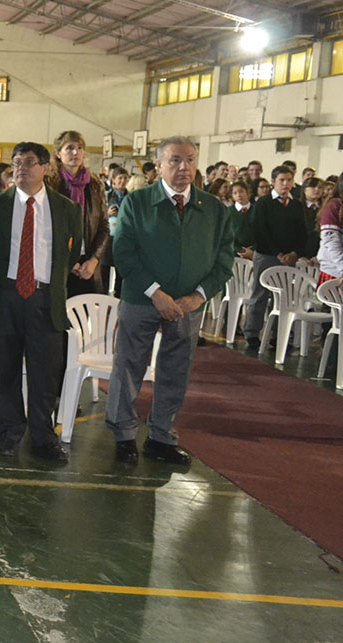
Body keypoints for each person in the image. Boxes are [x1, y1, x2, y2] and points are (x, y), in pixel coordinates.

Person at [106, 137, 233, 466]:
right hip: (141, 300)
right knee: (128, 367)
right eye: (175, 160)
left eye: (190, 160)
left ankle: (161, 437)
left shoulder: (214, 209)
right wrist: (156, 293)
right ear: (158, 166)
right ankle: (123, 435)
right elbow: (124, 253)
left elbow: (224, 259)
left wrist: (198, 296)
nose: (183, 167)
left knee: (176, 371)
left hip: (187, 307)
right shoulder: (137, 203)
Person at [0, 142, 82, 462]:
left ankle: (42, 437)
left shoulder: (66, 209)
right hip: (4, 296)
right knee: (4, 370)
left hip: (45, 298)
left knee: (45, 372)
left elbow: (70, 254)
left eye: (31, 162)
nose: (22, 168)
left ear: (47, 168)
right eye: (17, 162)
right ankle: (8, 432)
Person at [242, 165, 309, 351]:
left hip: (290, 257)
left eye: (289, 180)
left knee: (285, 297)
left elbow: (302, 232)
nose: (286, 184)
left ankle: (279, 334)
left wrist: (295, 253)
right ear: (273, 182)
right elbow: (260, 231)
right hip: (267, 255)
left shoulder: (296, 205)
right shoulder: (264, 203)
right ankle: (252, 332)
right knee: (260, 293)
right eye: (282, 180)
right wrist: (277, 253)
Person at [46, 130, 110, 295]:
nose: (76, 152)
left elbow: (103, 226)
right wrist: (67, 261)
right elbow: (43, 228)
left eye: (80, 147)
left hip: (87, 263)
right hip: (56, 262)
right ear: (58, 154)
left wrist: (94, 259)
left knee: (83, 316)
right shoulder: (49, 182)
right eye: (69, 148)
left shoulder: (94, 183)